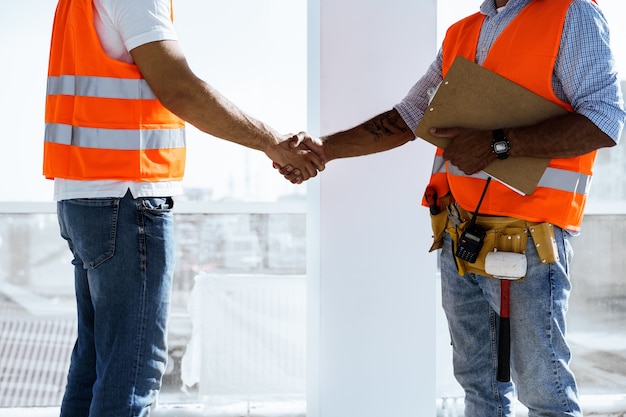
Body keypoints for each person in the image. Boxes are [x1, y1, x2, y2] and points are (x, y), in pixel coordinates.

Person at [277, 0, 625, 415]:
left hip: (530, 243)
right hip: (460, 236)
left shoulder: (572, 13)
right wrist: (325, 149)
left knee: (544, 395)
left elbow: (604, 119)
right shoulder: (462, 32)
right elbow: (409, 117)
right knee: (480, 389)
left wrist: (500, 144)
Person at [43, 0, 324, 416]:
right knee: (133, 366)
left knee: (96, 362)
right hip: (127, 195)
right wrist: (271, 142)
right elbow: (178, 88)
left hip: (83, 194)